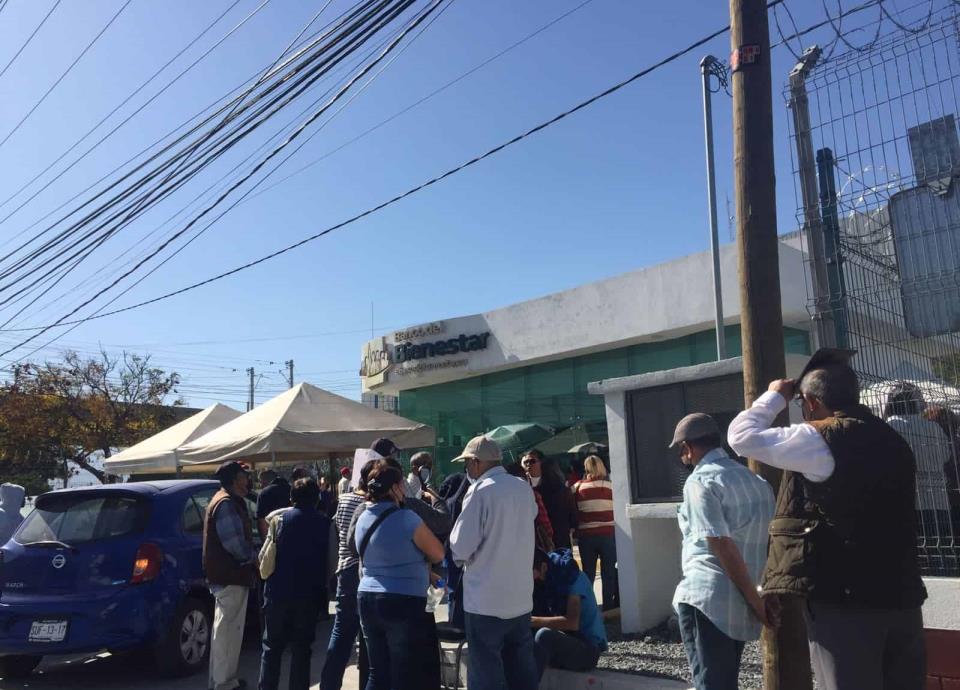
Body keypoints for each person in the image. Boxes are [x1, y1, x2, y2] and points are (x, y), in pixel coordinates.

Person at [727, 349, 928, 690]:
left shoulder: (820, 438)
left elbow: (741, 437)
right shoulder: (894, 440)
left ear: (811, 402)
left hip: (845, 599)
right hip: (903, 594)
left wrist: (774, 396)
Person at [669, 413, 775, 690]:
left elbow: (721, 545)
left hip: (707, 600)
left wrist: (756, 602)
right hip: (741, 602)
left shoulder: (699, 482)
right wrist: (757, 599)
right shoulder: (758, 482)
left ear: (687, 448)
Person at [449, 436, 540, 690]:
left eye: (467, 463)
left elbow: (460, 547)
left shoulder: (480, 491)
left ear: (476, 462)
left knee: (486, 674)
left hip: (485, 601)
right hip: (521, 597)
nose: (467, 469)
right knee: (522, 671)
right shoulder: (522, 487)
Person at [355, 464, 445, 690]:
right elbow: (438, 553)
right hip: (403, 601)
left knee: (377, 672)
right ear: (394, 488)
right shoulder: (407, 518)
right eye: (402, 485)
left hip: (367, 597)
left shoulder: (363, 517)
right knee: (403, 672)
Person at [259, 478, 331, 690]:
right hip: (309, 595)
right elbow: (331, 562)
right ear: (317, 498)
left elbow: (265, 557)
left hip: (277, 592)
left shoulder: (279, 521)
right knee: (302, 648)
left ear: (291, 498)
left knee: (272, 647)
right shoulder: (325, 524)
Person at [320, 458, 379, 690]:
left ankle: (329, 684)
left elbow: (337, 531)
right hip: (363, 570)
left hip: (344, 569)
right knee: (368, 637)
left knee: (342, 632)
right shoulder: (369, 504)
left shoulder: (343, 499)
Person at [203, 461, 256, 690]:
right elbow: (235, 545)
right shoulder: (225, 504)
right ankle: (224, 684)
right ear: (235, 480)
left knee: (225, 632)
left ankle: (222, 681)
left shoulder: (224, 500)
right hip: (230, 576)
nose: (248, 480)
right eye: (244, 476)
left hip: (227, 576)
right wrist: (255, 558)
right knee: (227, 634)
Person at [884, 382, 953, 539]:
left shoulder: (890, 426)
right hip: (938, 498)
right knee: (942, 546)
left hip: (907, 499)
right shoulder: (933, 427)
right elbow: (946, 456)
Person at [531, 548, 607, 681]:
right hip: (567, 643)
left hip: (588, 649)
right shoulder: (546, 581)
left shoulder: (572, 576)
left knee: (543, 635)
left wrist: (531, 620)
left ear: (543, 567)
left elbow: (572, 623)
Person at [572, 455, 618, 611]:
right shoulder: (611, 486)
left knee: (588, 574)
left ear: (586, 468)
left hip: (586, 536)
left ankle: (588, 607)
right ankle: (608, 607)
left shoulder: (577, 487)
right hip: (608, 534)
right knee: (609, 573)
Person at [522, 450, 577, 549]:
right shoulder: (523, 486)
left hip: (559, 536)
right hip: (536, 541)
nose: (528, 465)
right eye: (526, 462)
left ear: (541, 463)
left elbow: (570, 509)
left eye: (532, 461)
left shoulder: (556, 485)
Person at [256, 469, 290, 540]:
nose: (260, 485)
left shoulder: (264, 493)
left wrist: (265, 542)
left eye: (260, 482)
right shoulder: (291, 489)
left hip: (274, 537)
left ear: (264, 481)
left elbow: (262, 521)